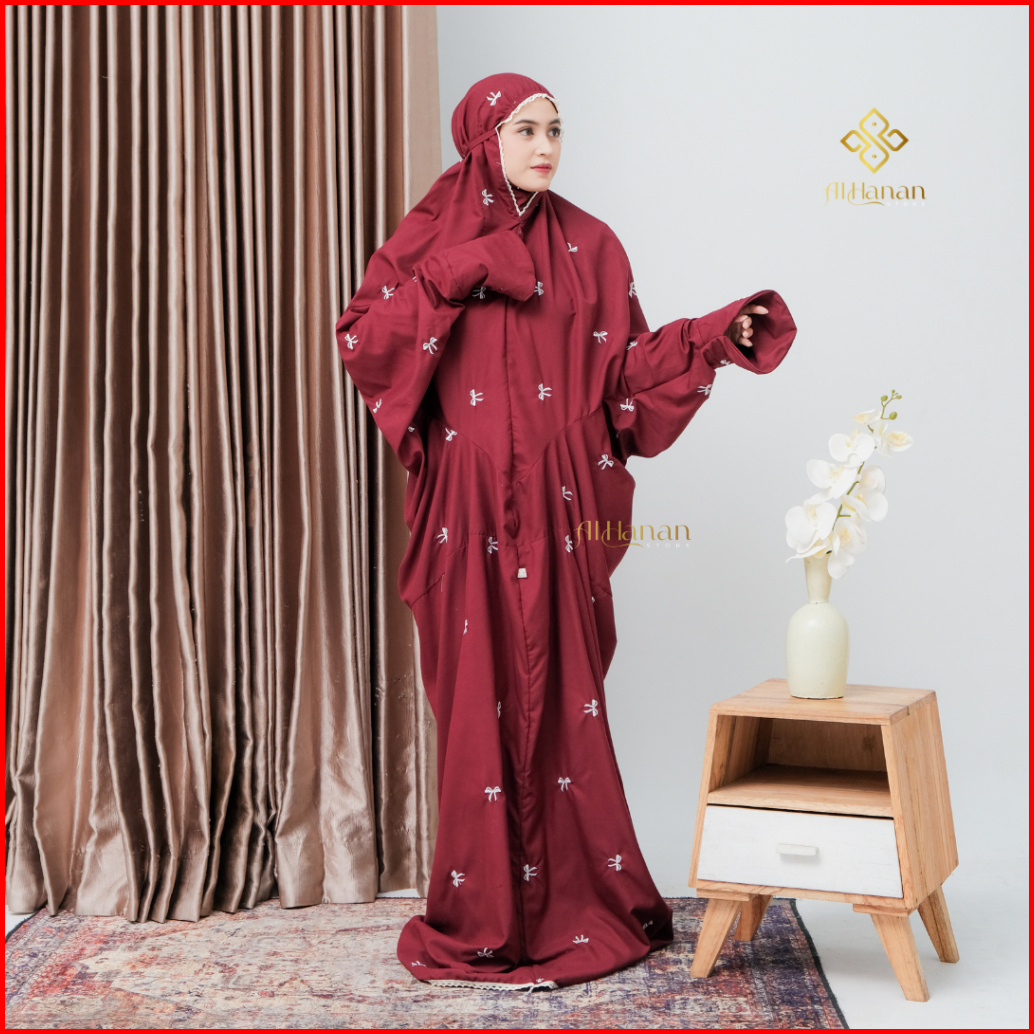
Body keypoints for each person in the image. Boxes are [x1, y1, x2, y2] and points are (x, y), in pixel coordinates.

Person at [335, 73, 796, 989]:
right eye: (524, 130)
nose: (545, 146)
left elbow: (625, 384)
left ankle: (580, 906)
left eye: (555, 129)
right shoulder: (429, 234)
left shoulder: (593, 246)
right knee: (476, 706)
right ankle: (482, 915)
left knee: (566, 701)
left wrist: (708, 338)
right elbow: (364, 341)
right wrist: (460, 270)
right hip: (465, 514)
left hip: (558, 514)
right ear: (483, 139)